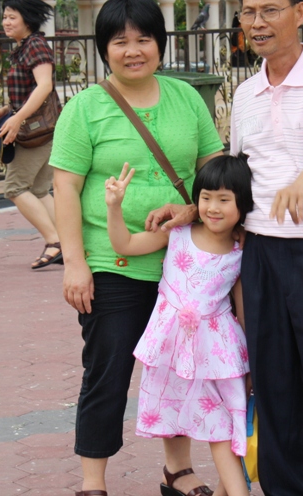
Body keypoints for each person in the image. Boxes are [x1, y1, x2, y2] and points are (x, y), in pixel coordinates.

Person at [148, 0, 303, 495]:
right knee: (273, 391)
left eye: (270, 11)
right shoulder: (247, 94)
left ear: (300, 14)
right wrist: (194, 210)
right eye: (249, 12)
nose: (257, 23)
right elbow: (236, 177)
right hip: (257, 258)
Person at [50, 0, 225, 496]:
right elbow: (64, 188)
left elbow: (212, 172)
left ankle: (178, 469)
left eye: (143, 39)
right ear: (104, 48)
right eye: (120, 41)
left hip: (183, 265)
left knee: (179, 369)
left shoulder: (186, 98)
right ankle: (93, 481)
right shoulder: (85, 108)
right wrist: (75, 265)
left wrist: (192, 210)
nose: (133, 50)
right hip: (112, 263)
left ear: (160, 44)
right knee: (108, 371)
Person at [105, 156, 253, 496]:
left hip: (216, 353)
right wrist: (115, 207)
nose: (213, 208)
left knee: (221, 426)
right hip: (172, 350)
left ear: (242, 204)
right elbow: (124, 245)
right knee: (217, 425)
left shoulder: (241, 250)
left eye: (224, 199)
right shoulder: (178, 234)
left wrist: (249, 365)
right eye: (206, 198)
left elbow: (243, 313)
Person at [0, 0, 62, 269]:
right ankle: (65, 242)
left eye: (12, 17)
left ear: (27, 20)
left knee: (16, 187)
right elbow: (31, 90)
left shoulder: (35, 46)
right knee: (41, 189)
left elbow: (44, 86)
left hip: (35, 131)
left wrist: (17, 118)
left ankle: (54, 241)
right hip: (39, 127)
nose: (6, 22)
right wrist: (7, 109)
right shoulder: (24, 47)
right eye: (5, 16)